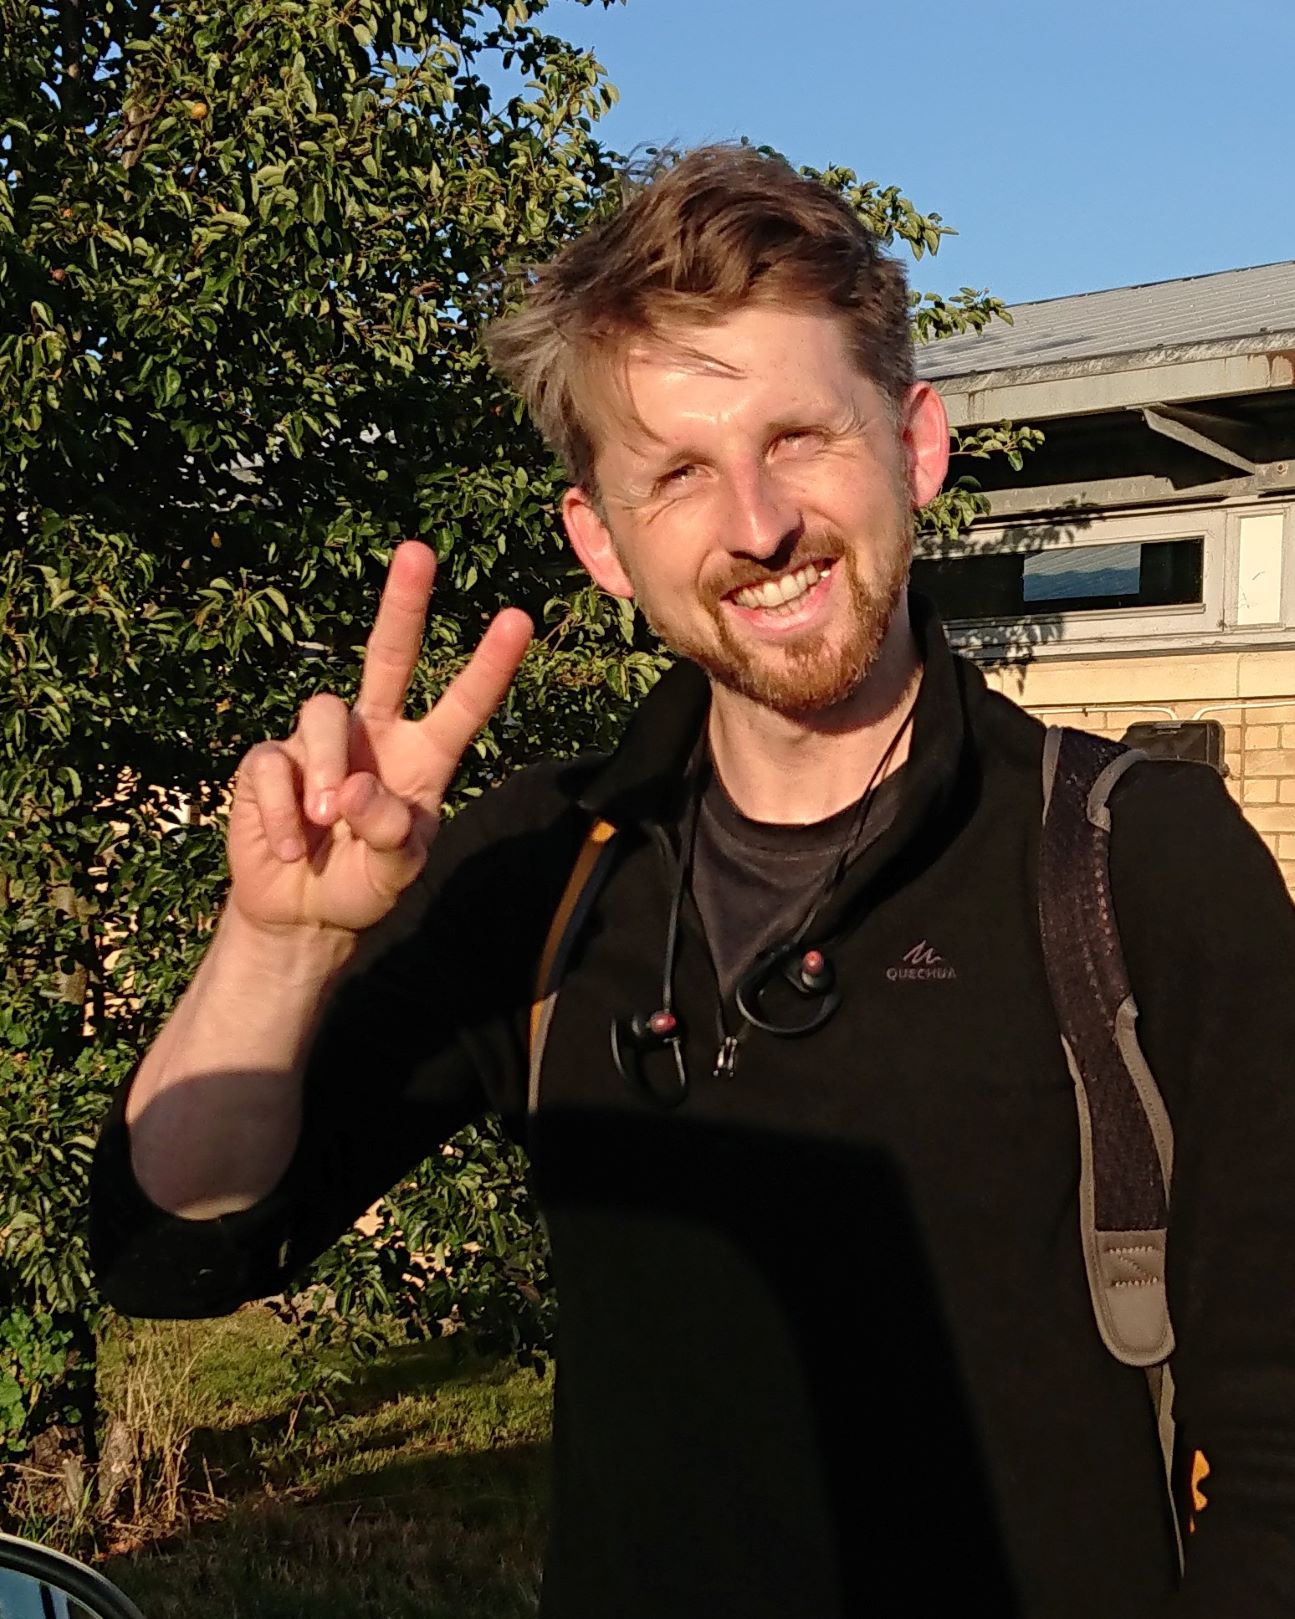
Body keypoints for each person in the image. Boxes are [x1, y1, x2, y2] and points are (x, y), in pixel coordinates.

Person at [90, 146, 1295, 1617]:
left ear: (915, 447)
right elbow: (176, 1249)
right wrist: (276, 941)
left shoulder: (1135, 860)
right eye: (677, 473)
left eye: (800, 437)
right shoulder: (543, 868)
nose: (759, 524)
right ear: (601, 542)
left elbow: (1278, 1444)